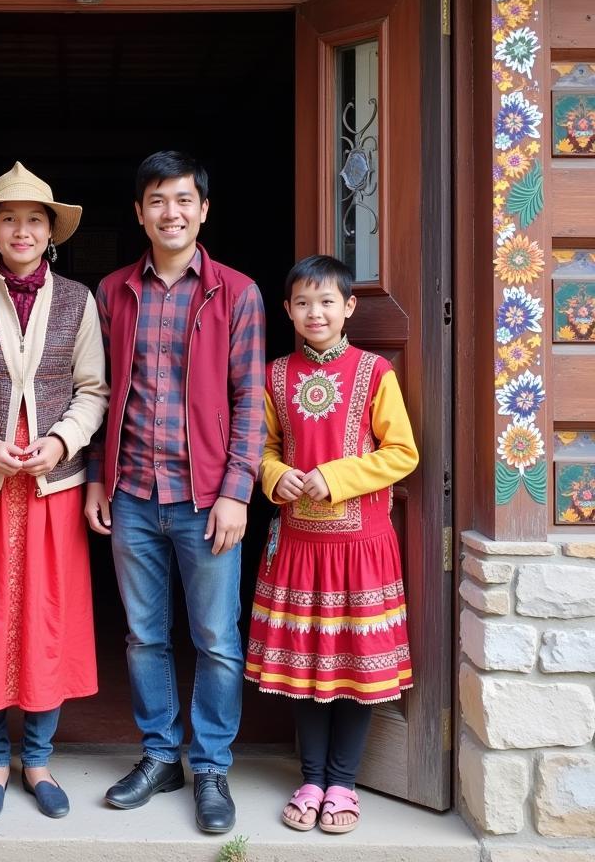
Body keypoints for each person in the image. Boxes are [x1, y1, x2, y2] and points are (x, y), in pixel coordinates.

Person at [84, 150, 266, 835]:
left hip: (206, 497)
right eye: (158, 200)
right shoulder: (111, 292)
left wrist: (236, 491)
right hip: (131, 491)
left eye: (184, 199)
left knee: (217, 637)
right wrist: (97, 477)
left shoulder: (236, 292)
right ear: (139, 212)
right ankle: (159, 755)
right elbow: (97, 394)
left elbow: (249, 401)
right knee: (142, 637)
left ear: (204, 209)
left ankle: (210, 766)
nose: (172, 212)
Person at [0, 162, 108, 823]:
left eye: (35, 219)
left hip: (53, 486)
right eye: (10, 218)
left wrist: (60, 444)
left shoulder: (78, 301)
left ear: (51, 231)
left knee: (44, 620)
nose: (22, 229)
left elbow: (93, 389)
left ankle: (38, 757)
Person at [245, 254, 419, 834]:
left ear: (349, 308)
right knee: (306, 670)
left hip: (360, 549)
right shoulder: (274, 377)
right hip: (298, 547)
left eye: (326, 302)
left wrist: (334, 477)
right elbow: (263, 449)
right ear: (288, 310)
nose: (313, 312)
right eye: (301, 302)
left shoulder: (375, 374)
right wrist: (275, 477)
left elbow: (401, 454)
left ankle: (343, 783)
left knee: (352, 668)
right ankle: (311, 777)